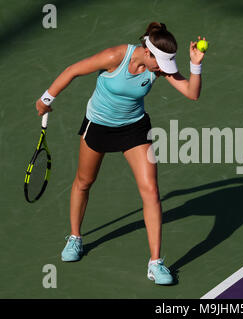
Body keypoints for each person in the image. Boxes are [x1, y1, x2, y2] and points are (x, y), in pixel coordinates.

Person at [35, 22, 206, 285]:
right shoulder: (116, 56)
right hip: (99, 126)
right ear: (148, 53)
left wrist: (196, 64)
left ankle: (156, 263)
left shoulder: (157, 69)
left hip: (134, 129)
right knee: (84, 182)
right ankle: (75, 238)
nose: (162, 70)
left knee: (150, 191)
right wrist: (47, 98)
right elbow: (73, 71)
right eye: (159, 63)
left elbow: (192, 93)